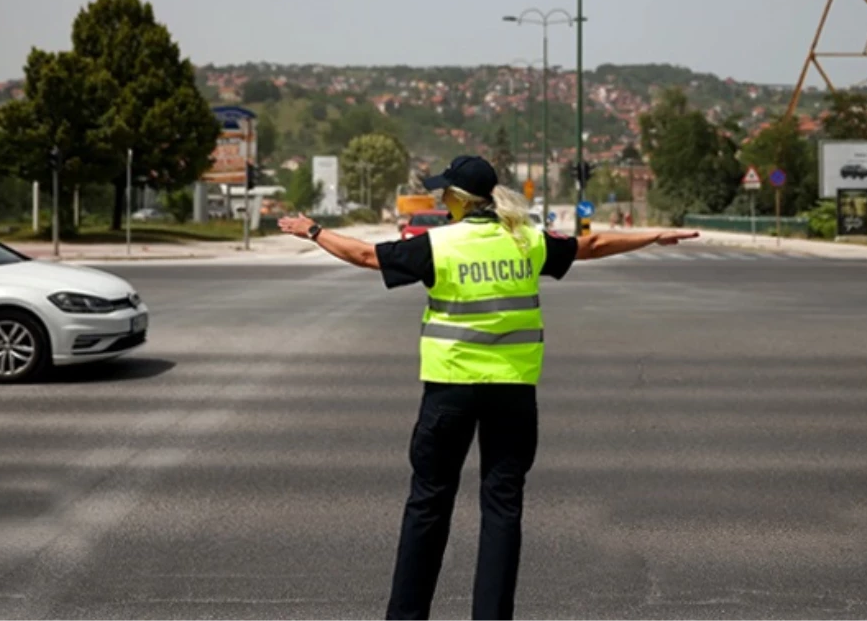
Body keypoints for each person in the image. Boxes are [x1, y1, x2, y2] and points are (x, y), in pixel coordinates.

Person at [278, 155, 698, 621]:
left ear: (457, 199)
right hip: (513, 392)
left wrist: (312, 230)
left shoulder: (439, 244)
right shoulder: (526, 240)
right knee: (502, 508)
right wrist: (655, 235)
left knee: (429, 503)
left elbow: (365, 255)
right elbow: (592, 244)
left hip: (451, 390)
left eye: (445, 193)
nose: (441, 199)